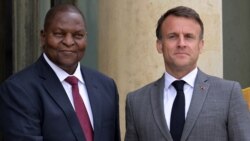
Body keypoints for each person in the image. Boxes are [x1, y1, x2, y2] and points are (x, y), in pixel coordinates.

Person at [125, 6, 250, 141]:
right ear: (159, 45)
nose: (181, 43)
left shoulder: (228, 93)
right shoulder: (136, 101)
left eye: (189, 37)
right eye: (172, 36)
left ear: (200, 45)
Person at [0, 4, 120, 141]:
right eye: (59, 34)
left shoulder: (106, 86)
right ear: (43, 37)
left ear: (86, 38)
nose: (69, 42)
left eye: (78, 35)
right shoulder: (18, 90)